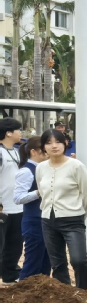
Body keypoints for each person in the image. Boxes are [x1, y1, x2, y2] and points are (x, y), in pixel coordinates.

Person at [36, 129, 87, 289]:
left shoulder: (76, 166)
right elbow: (42, 191)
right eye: (49, 143)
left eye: (58, 142)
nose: (54, 146)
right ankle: (65, 296)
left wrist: (79, 213)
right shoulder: (41, 167)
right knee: (57, 263)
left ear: (65, 143)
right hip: (48, 220)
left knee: (79, 260)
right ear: (43, 147)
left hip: (73, 219)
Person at [14, 137, 51, 280]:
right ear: (34, 152)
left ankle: (41, 289)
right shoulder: (26, 171)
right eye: (44, 149)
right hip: (34, 221)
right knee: (33, 261)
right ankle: (24, 289)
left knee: (46, 261)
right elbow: (18, 198)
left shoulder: (45, 168)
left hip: (46, 220)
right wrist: (38, 192)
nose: (48, 151)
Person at [0, 117, 25, 284]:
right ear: (8, 133)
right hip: (3, 208)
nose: (21, 133)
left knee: (15, 244)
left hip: (18, 206)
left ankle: (10, 275)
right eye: (18, 130)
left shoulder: (18, 151)